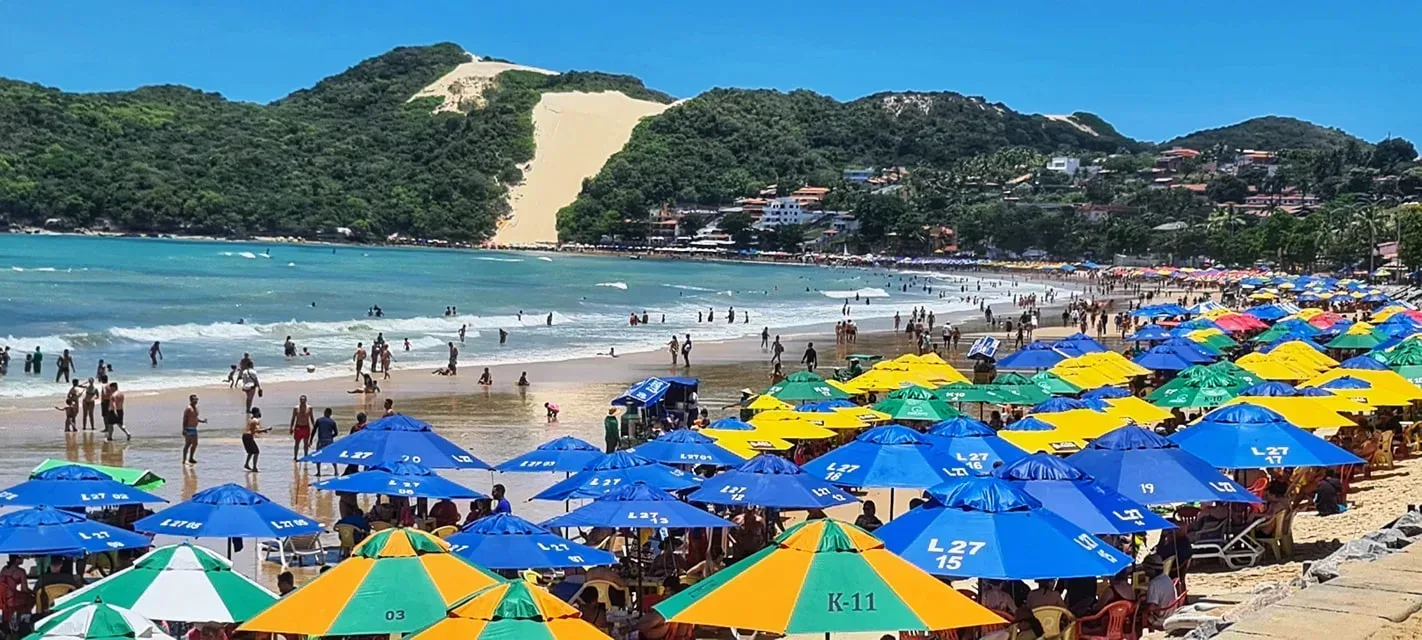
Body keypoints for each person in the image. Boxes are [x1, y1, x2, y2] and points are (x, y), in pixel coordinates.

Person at [1141, 555, 1179, 628]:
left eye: (1146, 569)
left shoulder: (1154, 584)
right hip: (1171, 612)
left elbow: (1151, 608)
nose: (1144, 571)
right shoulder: (1166, 577)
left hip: (1160, 618)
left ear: (1151, 569)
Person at [313, 408, 340, 475]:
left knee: (318, 455)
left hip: (321, 441)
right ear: (330, 414)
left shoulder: (319, 420)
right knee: (332, 456)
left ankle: (319, 472)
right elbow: (336, 433)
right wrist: (331, 437)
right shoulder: (332, 422)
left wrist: (310, 440)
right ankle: (336, 471)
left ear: (325, 413)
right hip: (329, 441)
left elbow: (314, 430)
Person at [243, 407, 269, 472]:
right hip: (249, 436)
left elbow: (252, 429)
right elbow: (256, 430)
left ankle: (246, 464)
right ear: (257, 413)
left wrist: (263, 431)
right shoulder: (256, 420)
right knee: (256, 452)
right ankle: (254, 467)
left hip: (244, 436)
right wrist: (266, 429)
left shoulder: (250, 419)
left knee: (251, 452)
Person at [182, 394, 206, 465]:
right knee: (187, 444)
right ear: (191, 400)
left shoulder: (195, 408)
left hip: (194, 429)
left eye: (197, 399)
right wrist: (184, 429)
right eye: (195, 399)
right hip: (188, 428)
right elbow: (185, 419)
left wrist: (202, 421)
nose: (196, 401)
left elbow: (195, 418)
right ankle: (184, 459)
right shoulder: (188, 409)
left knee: (195, 444)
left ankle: (191, 458)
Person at [288, 395, 314, 461]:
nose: (302, 401)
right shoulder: (296, 408)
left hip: (306, 427)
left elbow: (311, 418)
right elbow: (293, 418)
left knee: (306, 443)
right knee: (297, 443)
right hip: (298, 427)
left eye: (303, 400)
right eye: (301, 400)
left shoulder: (309, 408)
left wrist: (314, 426)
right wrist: (291, 427)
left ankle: (306, 456)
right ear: (299, 400)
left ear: (306, 400)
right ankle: (295, 457)